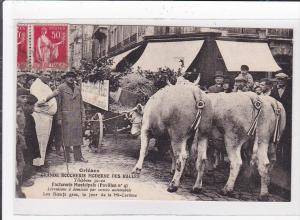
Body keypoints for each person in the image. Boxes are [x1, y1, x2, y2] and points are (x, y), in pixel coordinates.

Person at [38, 71, 88, 163]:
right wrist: (59, 118)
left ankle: (78, 157)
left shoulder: (77, 88)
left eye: (73, 77)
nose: (71, 78)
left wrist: (83, 116)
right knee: (66, 138)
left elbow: (81, 104)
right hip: (66, 117)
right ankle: (67, 157)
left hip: (77, 116)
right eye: (69, 77)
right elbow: (58, 104)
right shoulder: (61, 88)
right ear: (65, 78)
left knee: (78, 137)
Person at [27, 72, 57, 169]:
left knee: (44, 140)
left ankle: (41, 162)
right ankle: (37, 164)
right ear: (39, 75)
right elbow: (38, 102)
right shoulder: (36, 86)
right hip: (40, 115)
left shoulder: (43, 84)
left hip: (47, 116)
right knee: (40, 140)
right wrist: (52, 95)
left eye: (49, 75)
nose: (48, 77)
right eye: (46, 74)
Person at [270, 72, 292, 169]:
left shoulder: (291, 90)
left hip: (288, 117)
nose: (280, 81)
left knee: (286, 138)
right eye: (278, 79)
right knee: (275, 138)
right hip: (276, 117)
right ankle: (276, 160)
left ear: (286, 80)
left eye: (282, 79)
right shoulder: (273, 90)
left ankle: (286, 161)